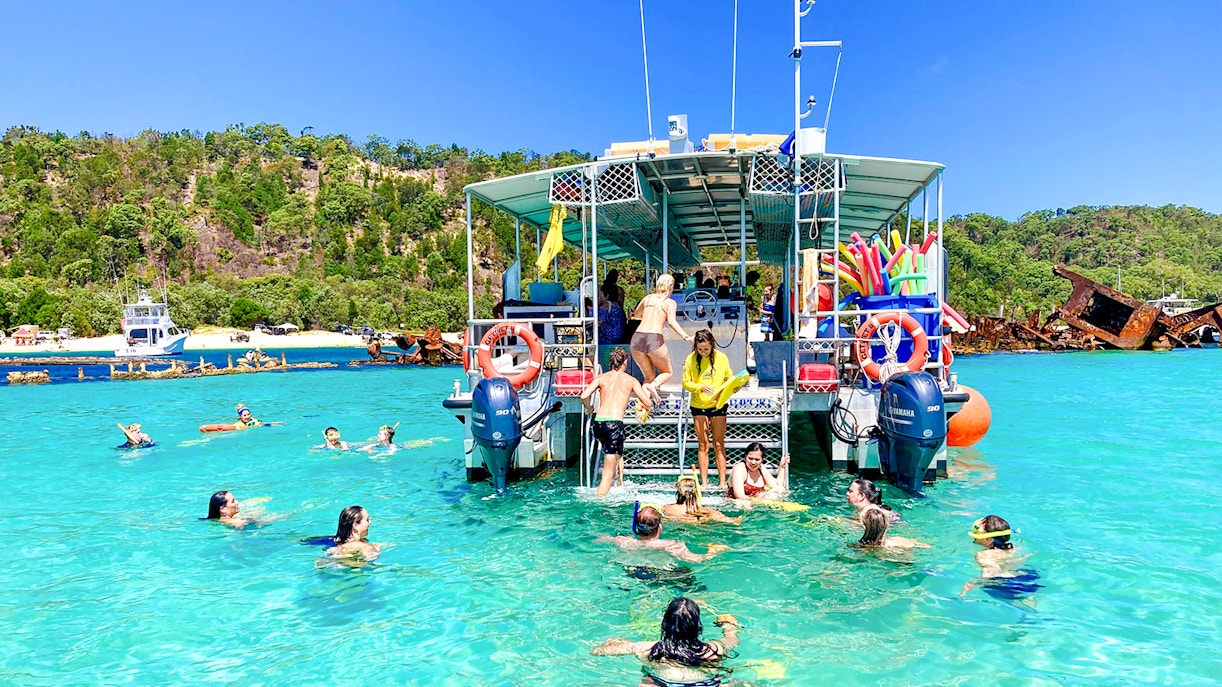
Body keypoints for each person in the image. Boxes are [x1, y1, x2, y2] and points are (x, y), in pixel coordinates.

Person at [591, 597, 739, 687]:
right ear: (697, 626)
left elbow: (598, 652)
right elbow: (732, 639)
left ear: (665, 624)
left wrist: (612, 642)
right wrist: (728, 625)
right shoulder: (714, 650)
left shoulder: (647, 650)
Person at [582, 347, 653, 497]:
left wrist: (589, 408)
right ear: (625, 362)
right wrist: (650, 394)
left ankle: (620, 484)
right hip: (614, 425)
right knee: (607, 473)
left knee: (617, 454)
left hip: (599, 423)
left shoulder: (601, 377)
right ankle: (598, 502)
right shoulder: (630, 380)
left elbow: (584, 395)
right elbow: (647, 402)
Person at [631, 274, 694, 402]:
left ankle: (643, 409)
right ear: (671, 286)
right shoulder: (669, 303)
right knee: (667, 372)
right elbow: (672, 322)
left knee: (648, 377)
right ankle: (654, 386)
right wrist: (686, 336)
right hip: (653, 338)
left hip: (637, 337)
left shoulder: (647, 298)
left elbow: (637, 314)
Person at [682, 330, 732, 488]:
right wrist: (700, 387)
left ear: (712, 346)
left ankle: (722, 482)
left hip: (718, 405)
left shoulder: (721, 357)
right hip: (699, 405)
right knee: (703, 444)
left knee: (718, 444)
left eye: (706, 349)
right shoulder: (690, 359)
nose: (703, 352)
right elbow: (685, 382)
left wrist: (732, 387)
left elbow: (729, 378)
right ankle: (704, 482)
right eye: (700, 349)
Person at [598, 505, 729, 564]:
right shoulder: (671, 545)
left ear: (636, 528)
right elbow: (697, 560)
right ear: (660, 527)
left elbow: (601, 539)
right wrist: (713, 551)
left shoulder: (622, 541)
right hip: (662, 576)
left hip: (634, 573)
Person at [961, 515, 1040, 603]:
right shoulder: (1014, 547)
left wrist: (972, 583)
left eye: (977, 533)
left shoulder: (983, 554)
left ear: (988, 539)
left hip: (1007, 585)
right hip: (1027, 577)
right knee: (1030, 608)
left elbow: (990, 576)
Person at [727, 442, 790, 507]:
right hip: (736, 502)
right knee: (743, 503)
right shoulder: (740, 469)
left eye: (757, 459)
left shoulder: (761, 469)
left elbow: (777, 485)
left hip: (757, 502)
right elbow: (740, 496)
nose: (753, 462)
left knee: (780, 490)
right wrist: (762, 501)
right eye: (750, 458)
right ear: (745, 457)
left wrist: (782, 466)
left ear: (762, 459)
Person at [662, 475, 741, 525]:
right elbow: (734, 522)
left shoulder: (666, 508)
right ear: (696, 493)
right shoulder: (708, 512)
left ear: (678, 493)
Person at [853, 508, 929, 549]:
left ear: (864, 527)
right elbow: (925, 546)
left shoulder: (857, 547)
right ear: (887, 526)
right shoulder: (900, 541)